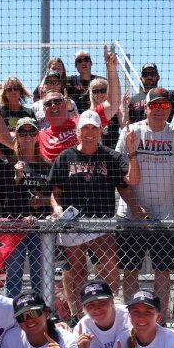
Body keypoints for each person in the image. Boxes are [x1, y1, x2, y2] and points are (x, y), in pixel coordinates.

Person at [117, 89, 174, 305]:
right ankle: (131, 314)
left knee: (163, 273)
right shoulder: (131, 131)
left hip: (165, 216)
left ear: (170, 110)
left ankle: (161, 320)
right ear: (145, 107)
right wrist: (135, 208)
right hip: (130, 215)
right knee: (130, 272)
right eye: (154, 105)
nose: (159, 110)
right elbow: (121, 177)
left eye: (164, 106)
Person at [49, 112, 139, 317]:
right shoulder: (65, 157)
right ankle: (79, 316)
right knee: (77, 271)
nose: (89, 133)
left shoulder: (112, 157)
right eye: (85, 128)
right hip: (73, 222)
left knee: (110, 267)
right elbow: (55, 191)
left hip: (102, 221)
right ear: (77, 132)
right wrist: (57, 208)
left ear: (100, 131)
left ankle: (105, 309)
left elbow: (127, 185)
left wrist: (138, 211)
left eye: (93, 128)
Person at [5, 117, 51, 298]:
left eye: (31, 132)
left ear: (37, 136)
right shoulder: (9, 163)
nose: (26, 136)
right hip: (16, 225)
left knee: (40, 274)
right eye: (22, 132)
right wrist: (16, 176)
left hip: (41, 226)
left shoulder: (46, 165)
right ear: (16, 135)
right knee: (14, 274)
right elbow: (3, 197)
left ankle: (41, 312)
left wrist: (43, 201)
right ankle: (9, 314)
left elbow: (57, 196)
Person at [72, 280, 132, 348]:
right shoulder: (81, 328)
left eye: (102, 303)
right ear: (84, 307)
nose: (96, 309)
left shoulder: (129, 316)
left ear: (112, 301)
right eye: (90, 305)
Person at [127, 60, 174, 125]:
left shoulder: (168, 95)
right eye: (145, 74)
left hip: (164, 136)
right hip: (139, 137)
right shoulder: (132, 100)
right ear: (141, 79)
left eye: (152, 73)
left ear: (158, 77)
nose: (149, 77)